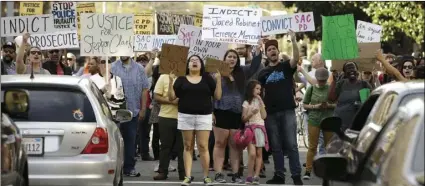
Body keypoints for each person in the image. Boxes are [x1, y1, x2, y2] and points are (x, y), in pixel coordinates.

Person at [212, 40, 262, 183]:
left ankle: (235, 174)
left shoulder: (243, 72)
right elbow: (211, 94)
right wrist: (212, 112)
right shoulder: (216, 73)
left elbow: (255, 66)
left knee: (235, 145)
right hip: (220, 111)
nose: (232, 59)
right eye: (229, 56)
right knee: (220, 143)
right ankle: (218, 173)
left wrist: (258, 51)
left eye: (234, 57)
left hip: (236, 113)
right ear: (224, 59)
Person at [257, 30, 303, 185]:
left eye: (274, 49)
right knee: (275, 146)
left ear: (278, 51)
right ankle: (279, 176)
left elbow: (296, 58)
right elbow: (257, 90)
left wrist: (294, 41)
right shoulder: (263, 73)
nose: (272, 51)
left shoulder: (286, 66)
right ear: (267, 54)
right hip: (270, 114)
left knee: (291, 145)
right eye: (269, 50)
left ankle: (296, 176)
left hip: (288, 111)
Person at [167, 55, 222, 185]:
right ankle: (188, 176)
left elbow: (218, 96)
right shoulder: (181, 79)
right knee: (188, 146)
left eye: (197, 60)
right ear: (187, 65)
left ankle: (206, 176)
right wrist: (170, 81)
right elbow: (171, 98)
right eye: (191, 60)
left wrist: (219, 80)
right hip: (185, 116)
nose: (194, 62)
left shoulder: (208, 79)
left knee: (203, 146)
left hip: (204, 116)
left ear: (201, 65)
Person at [111, 56, 150, 177]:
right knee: (114, 142)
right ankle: (114, 168)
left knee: (130, 141)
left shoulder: (139, 69)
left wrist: (143, 109)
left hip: (132, 111)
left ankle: (129, 167)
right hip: (115, 112)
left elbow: (144, 89)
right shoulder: (112, 67)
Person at [301, 68, 335, 180]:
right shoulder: (311, 89)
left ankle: (328, 171)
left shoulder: (330, 89)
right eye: (320, 80)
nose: (321, 82)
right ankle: (308, 170)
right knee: (312, 147)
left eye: (323, 80)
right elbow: (304, 104)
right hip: (314, 119)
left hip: (328, 119)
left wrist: (328, 106)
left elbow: (337, 104)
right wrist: (315, 106)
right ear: (316, 79)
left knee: (328, 147)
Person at [152, 68, 185, 181]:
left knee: (183, 147)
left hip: (184, 117)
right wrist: (171, 102)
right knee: (165, 146)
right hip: (166, 117)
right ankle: (163, 172)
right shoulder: (163, 77)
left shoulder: (187, 77)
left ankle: (184, 173)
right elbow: (156, 96)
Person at [328, 62, 372, 131]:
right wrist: (334, 80)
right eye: (348, 69)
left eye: (353, 68)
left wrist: (359, 104)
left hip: (355, 124)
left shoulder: (363, 85)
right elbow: (331, 98)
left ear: (357, 71)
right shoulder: (341, 83)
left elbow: (366, 105)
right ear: (345, 73)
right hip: (340, 123)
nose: (351, 70)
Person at [242, 80, 268, 185]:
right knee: (252, 153)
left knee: (258, 153)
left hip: (260, 128)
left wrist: (261, 103)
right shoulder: (246, 102)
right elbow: (243, 119)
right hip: (249, 128)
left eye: (260, 89)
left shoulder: (260, 102)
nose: (259, 91)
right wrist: (251, 113)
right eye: (257, 88)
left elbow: (264, 116)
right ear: (251, 89)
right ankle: (249, 175)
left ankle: (256, 176)